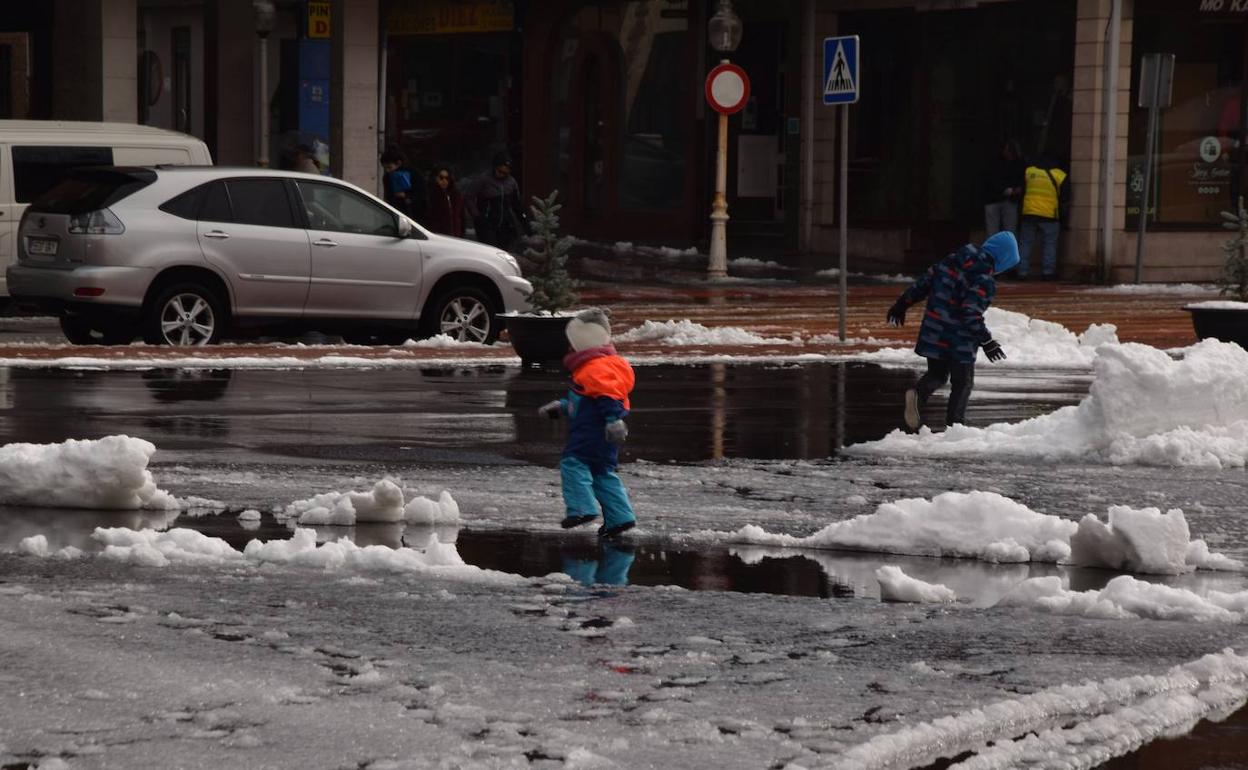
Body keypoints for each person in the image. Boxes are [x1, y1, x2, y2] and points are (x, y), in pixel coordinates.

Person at [886, 231, 1020, 430]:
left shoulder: (952, 260)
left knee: (937, 375)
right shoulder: (984, 279)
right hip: (960, 340)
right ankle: (955, 427)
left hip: (934, 331)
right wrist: (987, 341)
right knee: (963, 383)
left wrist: (902, 304)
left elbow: (924, 283)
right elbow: (970, 314)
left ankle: (916, 399)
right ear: (1003, 260)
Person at [538, 308, 637, 539]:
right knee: (603, 474)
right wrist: (562, 407)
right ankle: (620, 518)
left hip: (591, 432)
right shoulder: (599, 367)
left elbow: (607, 396)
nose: (569, 348)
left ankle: (581, 509)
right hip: (604, 434)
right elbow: (585, 399)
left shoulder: (594, 368)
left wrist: (614, 420)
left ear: (583, 342)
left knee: (573, 464)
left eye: (572, 343)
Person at [1016, 157, 1069, 280]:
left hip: (1029, 212)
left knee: (1026, 243)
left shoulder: (1029, 171)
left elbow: (1021, 191)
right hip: (1049, 214)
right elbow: (1065, 197)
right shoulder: (1059, 175)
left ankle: (1022, 272)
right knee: (1049, 243)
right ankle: (1048, 272)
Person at [465, 151, 526, 249]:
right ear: (495, 167)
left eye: (505, 173)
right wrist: (477, 216)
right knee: (490, 251)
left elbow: (516, 204)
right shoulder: (483, 179)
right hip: (487, 223)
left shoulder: (511, 182)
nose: (501, 175)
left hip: (505, 225)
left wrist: (524, 222)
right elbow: (469, 197)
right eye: (499, 171)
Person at [983, 139, 1024, 237]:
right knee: (1002, 231)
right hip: (995, 199)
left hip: (1001, 199)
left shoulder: (1017, 163)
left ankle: (1000, 251)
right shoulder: (995, 163)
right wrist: (1012, 190)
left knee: (1004, 231)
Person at [380, 145, 427, 223]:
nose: (388, 171)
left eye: (389, 167)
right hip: (397, 212)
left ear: (398, 163)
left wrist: (407, 196)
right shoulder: (387, 177)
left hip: (415, 214)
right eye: (385, 169)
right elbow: (388, 196)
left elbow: (422, 194)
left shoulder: (414, 174)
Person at [426, 165, 465, 237]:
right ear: (436, 178)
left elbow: (461, 215)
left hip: (456, 235)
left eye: (447, 178)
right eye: (441, 178)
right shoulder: (431, 195)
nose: (444, 181)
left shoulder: (456, 194)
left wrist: (461, 233)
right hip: (438, 235)